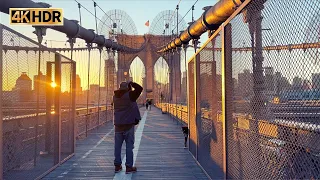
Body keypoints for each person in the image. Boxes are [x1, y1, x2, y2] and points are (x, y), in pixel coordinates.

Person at [113, 81, 143, 174]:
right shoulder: (130, 95)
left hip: (118, 125)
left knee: (117, 146)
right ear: (127, 88)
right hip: (128, 125)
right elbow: (140, 89)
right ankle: (129, 167)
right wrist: (132, 83)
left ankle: (117, 166)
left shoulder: (114, 97)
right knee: (129, 147)